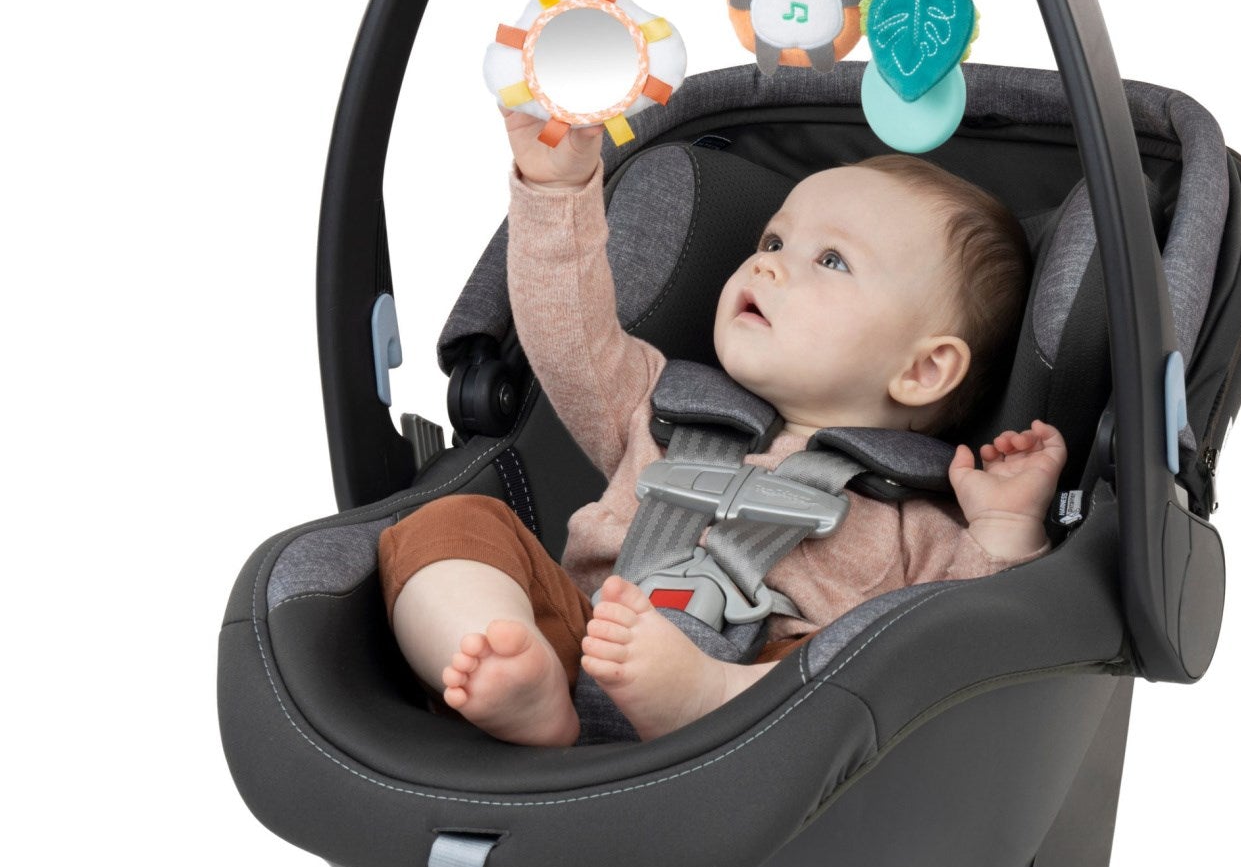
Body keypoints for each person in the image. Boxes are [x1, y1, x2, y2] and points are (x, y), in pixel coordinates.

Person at [378, 110, 1066, 746]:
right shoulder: (654, 407)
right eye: (775, 239)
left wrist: (1005, 524)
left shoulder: (917, 518)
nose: (768, 262)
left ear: (923, 369)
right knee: (447, 525)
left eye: (831, 260)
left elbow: (974, 638)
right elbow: (564, 333)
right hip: (587, 641)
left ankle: (704, 697)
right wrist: (555, 190)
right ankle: (504, 664)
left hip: (762, 708)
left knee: (869, 659)